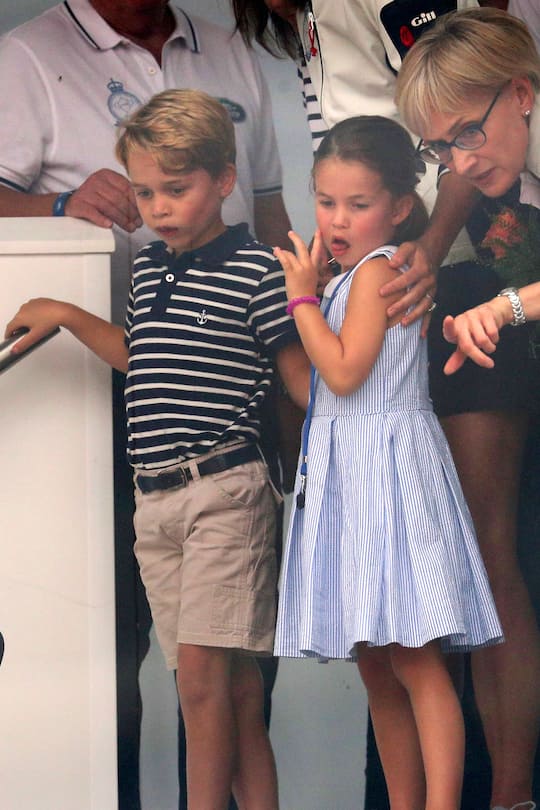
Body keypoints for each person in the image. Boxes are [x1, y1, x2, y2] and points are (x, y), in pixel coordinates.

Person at [0, 3, 294, 806]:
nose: (158, 207)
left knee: (207, 684)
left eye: (176, 188)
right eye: (145, 192)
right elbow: (147, 359)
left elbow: (297, 374)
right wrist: (65, 313)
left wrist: (313, 458)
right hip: (153, 495)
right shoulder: (155, 270)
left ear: (221, 181)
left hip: (226, 488)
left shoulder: (256, 272)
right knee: (223, 693)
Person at [272, 114, 503, 809]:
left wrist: (300, 299)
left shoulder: (376, 272)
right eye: (325, 201)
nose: (337, 219)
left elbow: (343, 374)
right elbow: (321, 392)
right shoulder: (346, 282)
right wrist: (292, 325)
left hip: (389, 477)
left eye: (358, 204)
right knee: (375, 662)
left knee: (412, 653)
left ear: (400, 207)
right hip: (352, 477)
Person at [396, 9, 540, 809]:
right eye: (439, 147)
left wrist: (508, 306)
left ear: (522, 92)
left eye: (467, 135)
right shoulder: (498, 177)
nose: (458, 160)